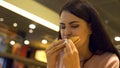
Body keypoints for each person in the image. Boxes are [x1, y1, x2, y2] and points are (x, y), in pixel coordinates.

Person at [46, 0, 120, 68]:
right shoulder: (58, 57)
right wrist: (51, 65)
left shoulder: (109, 62)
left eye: (74, 26)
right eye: (63, 27)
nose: (66, 33)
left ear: (90, 28)